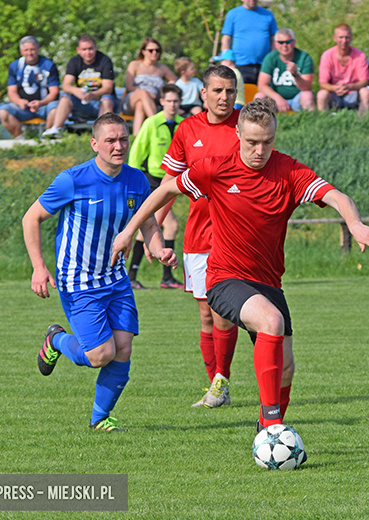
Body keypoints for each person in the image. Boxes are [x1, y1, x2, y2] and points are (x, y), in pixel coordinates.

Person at [112, 98, 369, 440]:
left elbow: (336, 196)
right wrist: (128, 232)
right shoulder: (216, 168)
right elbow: (165, 189)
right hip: (225, 277)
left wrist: (355, 224)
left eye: (267, 142)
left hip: (268, 282)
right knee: (272, 322)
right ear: (238, 133)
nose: (260, 150)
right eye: (252, 142)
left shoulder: (288, 171)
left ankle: (266, 429)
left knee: (286, 369)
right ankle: (272, 428)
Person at [22, 112, 177, 431]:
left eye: (123, 139)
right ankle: (57, 341)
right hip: (78, 282)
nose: (118, 146)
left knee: (123, 350)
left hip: (116, 280)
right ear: (95, 144)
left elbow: (147, 222)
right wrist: (39, 267)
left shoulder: (136, 180)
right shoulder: (73, 179)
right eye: (110, 140)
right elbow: (31, 218)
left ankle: (99, 419)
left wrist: (159, 248)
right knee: (99, 355)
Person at [158, 65, 243, 407]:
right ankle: (216, 385)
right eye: (218, 91)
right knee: (207, 315)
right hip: (198, 236)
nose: (225, 97)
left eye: (231, 91)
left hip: (236, 236)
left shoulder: (245, 125)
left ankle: (222, 380)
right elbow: (168, 186)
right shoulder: (187, 130)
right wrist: (153, 232)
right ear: (203, 94)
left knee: (224, 312)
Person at [127, 84, 185, 290]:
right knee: (165, 226)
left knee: (155, 228)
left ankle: (136, 275)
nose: (172, 104)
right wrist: (134, 183)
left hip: (173, 184)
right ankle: (159, 277)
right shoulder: (151, 123)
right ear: (162, 102)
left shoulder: (183, 125)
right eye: (169, 101)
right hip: (152, 182)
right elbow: (135, 156)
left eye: (176, 101)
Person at [43, 34, 118, 138]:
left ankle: (102, 134)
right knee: (65, 97)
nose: (88, 52)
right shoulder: (74, 61)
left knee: (106, 99)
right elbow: (66, 85)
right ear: (78, 50)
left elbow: (108, 88)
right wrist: (75, 91)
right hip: (82, 103)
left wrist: (93, 94)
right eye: (84, 49)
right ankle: (57, 129)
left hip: (100, 102)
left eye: (90, 49)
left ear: (96, 47)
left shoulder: (104, 60)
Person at [0, 36, 60, 138]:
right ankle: (21, 141)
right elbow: (11, 91)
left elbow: (54, 92)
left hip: (44, 106)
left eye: (32, 49)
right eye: (26, 50)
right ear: (21, 51)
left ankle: (48, 139)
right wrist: (19, 102)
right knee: (3, 111)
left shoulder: (49, 65)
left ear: (38, 49)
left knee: (56, 109)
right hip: (23, 108)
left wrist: (41, 103)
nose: (30, 53)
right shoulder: (15, 66)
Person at [123, 37, 178, 135]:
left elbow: (175, 81)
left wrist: (169, 85)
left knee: (140, 105)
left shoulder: (162, 68)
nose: (154, 53)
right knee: (143, 93)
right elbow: (129, 86)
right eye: (151, 50)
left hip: (152, 101)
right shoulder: (135, 65)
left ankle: (136, 137)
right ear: (143, 51)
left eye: (157, 50)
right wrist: (146, 94)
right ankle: (158, 126)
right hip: (132, 98)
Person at [316, 23, 369, 115]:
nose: (344, 41)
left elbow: (365, 81)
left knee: (365, 92)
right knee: (321, 94)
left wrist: (349, 87)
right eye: (341, 37)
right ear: (335, 38)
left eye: (347, 37)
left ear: (351, 38)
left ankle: (363, 121)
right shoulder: (327, 55)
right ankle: (323, 121)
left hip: (352, 92)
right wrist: (335, 88)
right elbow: (322, 83)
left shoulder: (360, 55)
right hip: (334, 93)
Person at [256, 28, 315, 112]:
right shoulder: (270, 58)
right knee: (259, 96)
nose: (284, 45)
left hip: (296, 99)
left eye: (288, 42)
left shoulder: (304, 58)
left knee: (307, 95)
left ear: (294, 42)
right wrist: (278, 98)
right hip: (275, 100)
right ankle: (260, 124)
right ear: (275, 44)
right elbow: (262, 86)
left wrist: (296, 75)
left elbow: (307, 87)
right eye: (281, 42)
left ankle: (311, 123)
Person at [220, 0, 278, 84]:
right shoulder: (233, 14)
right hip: (240, 64)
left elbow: (274, 39)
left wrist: (273, 59)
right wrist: (226, 58)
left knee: (262, 95)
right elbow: (226, 38)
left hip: (264, 65)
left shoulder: (268, 14)